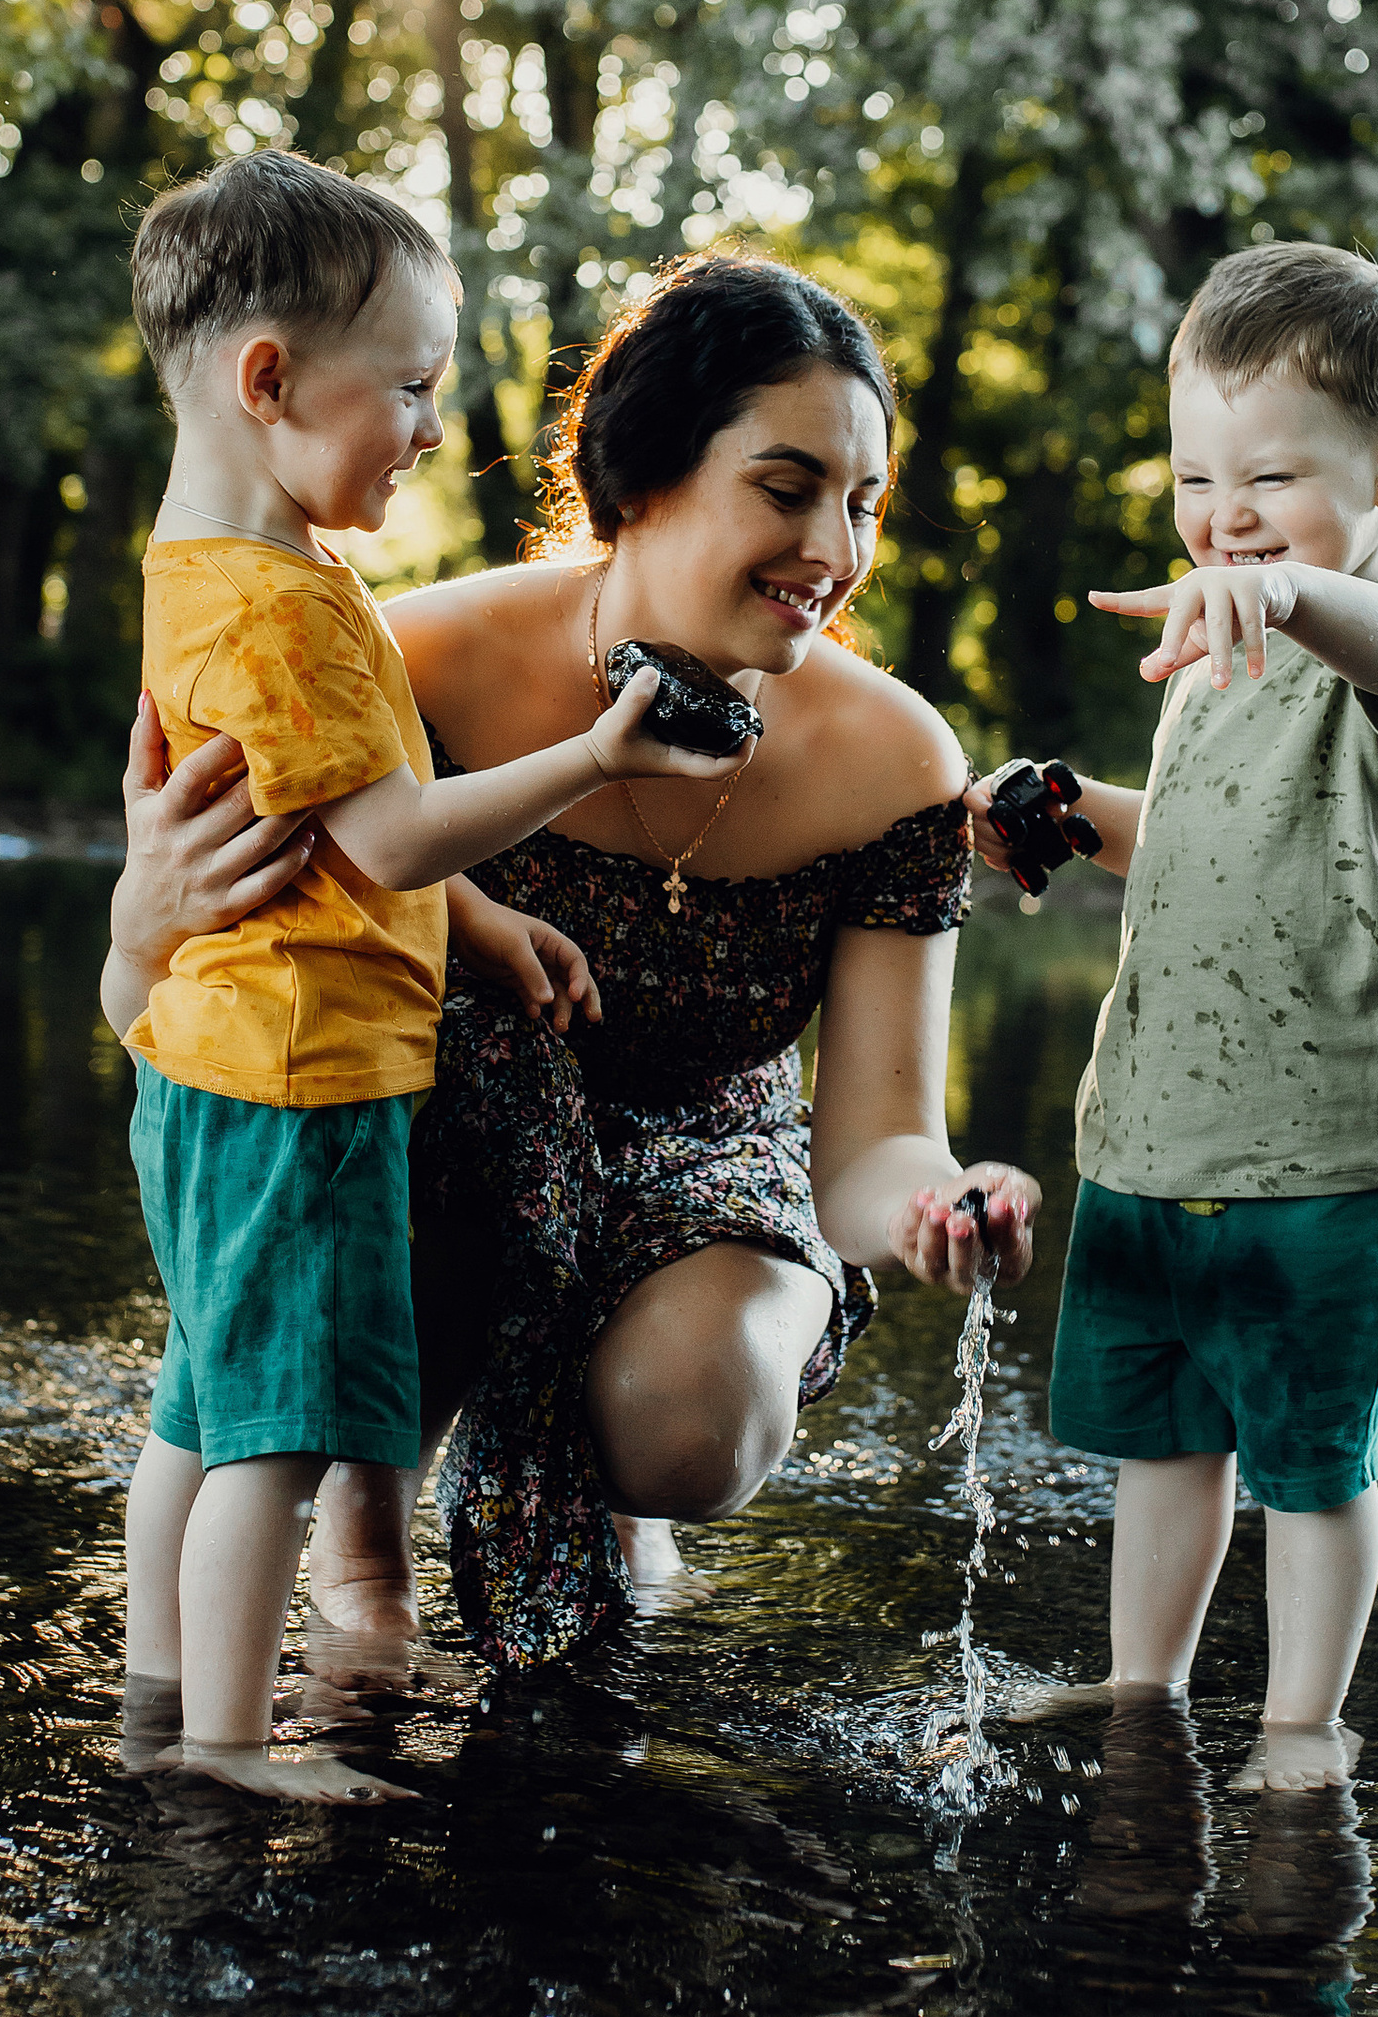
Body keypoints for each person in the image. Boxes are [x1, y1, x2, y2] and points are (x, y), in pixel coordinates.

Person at [108, 250, 1041, 1672]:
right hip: (421, 1130)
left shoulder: (898, 763)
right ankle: (365, 1548)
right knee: (350, 1157)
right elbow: (172, 1013)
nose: (834, 553)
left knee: (694, 1416)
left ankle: (609, 1489)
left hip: (707, 1143)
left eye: (862, 503)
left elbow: (874, 1147)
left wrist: (938, 1204)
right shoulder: (397, 662)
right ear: (643, 477)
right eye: (786, 491)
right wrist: (143, 918)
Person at [106, 154, 740, 1800]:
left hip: (214, 1063)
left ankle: (159, 1685)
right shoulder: (287, 613)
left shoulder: (226, 572)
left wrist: (488, 920)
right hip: (302, 1082)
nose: (434, 430)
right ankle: (235, 1746)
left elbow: (335, 833)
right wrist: (596, 758)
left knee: (200, 1400)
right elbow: (383, 838)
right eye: (408, 388)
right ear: (268, 382)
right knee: (282, 1429)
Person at [975, 240, 1378, 1788]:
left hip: (1321, 1166)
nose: (1226, 517)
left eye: (1270, 477)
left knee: (1314, 1465)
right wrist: (1067, 809)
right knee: (1163, 1448)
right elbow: (1189, 835)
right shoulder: (1202, 665)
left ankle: (1303, 1727)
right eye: (1198, 479)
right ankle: (1143, 1690)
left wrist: (1290, 592)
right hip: (1148, 1143)